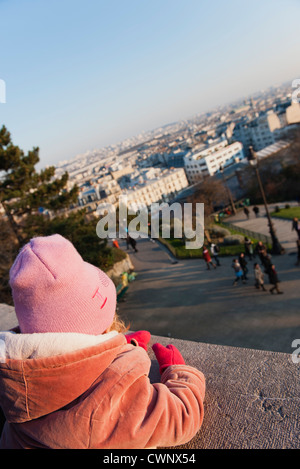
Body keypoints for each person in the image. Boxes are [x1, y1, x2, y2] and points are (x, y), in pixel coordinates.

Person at [0, 234, 205, 449]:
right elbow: (183, 417)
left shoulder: (15, 384)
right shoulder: (109, 401)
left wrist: (119, 353)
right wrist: (178, 370)